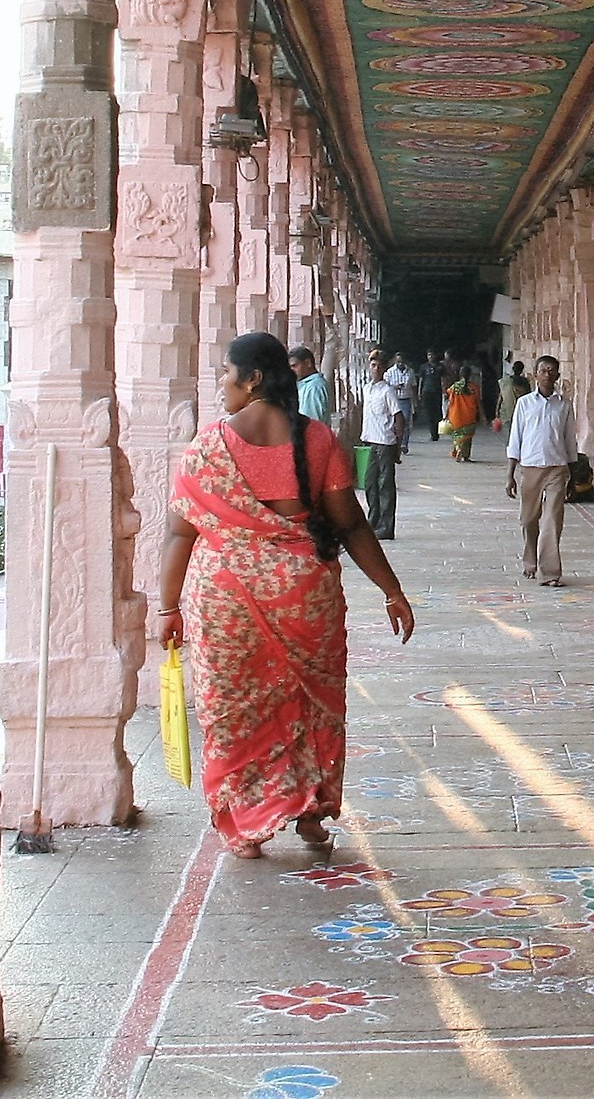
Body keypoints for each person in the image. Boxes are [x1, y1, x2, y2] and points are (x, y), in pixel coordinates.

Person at [153, 332, 414, 859]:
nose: (222, 385)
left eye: (227, 374)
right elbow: (353, 527)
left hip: (226, 603)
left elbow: (180, 534)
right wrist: (392, 591)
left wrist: (167, 606)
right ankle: (312, 813)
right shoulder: (317, 441)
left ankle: (244, 826)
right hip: (304, 599)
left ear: (251, 379)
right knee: (312, 706)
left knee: (234, 711)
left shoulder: (206, 447)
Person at [503, 354, 577, 585]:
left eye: (552, 371)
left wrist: (572, 476)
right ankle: (530, 560)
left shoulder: (564, 405)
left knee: (552, 521)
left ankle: (550, 572)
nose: (547, 374)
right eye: (543, 370)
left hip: (557, 468)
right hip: (530, 467)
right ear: (535, 375)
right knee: (528, 519)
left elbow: (569, 440)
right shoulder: (524, 404)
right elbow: (515, 439)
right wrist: (510, 475)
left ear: (557, 375)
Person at [359, 349, 405, 540]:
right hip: (371, 441)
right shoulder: (367, 389)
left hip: (385, 442)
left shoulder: (388, 391)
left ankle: (387, 527)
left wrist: (399, 445)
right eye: (373, 365)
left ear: (384, 369)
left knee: (385, 485)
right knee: (370, 483)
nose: (376, 369)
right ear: (369, 367)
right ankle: (374, 520)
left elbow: (399, 418)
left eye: (379, 366)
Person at [443, 360, 482, 463]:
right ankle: (466, 455)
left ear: (460, 374)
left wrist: (446, 414)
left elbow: (450, 401)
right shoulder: (474, 387)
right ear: (470, 375)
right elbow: (478, 402)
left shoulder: (455, 386)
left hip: (456, 415)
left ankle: (458, 449)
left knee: (457, 435)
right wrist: (483, 416)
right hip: (469, 415)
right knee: (468, 437)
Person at [288, 345, 329, 424]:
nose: (291, 370)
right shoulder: (307, 385)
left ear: (308, 363)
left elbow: (311, 422)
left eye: (294, 366)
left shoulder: (314, 387)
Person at [417, 349, 447, 443]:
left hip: (437, 391)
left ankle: (436, 432)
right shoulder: (424, 367)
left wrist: (444, 391)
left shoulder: (440, 366)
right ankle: (433, 433)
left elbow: (443, 379)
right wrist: (419, 392)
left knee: (437, 412)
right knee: (429, 413)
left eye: (432, 355)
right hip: (427, 391)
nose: (430, 357)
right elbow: (421, 380)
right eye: (429, 355)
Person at [384, 352, 414, 442]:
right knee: (394, 421)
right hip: (394, 399)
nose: (400, 363)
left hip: (406, 399)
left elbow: (413, 385)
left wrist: (415, 400)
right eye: (398, 362)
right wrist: (395, 386)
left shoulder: (410, 372)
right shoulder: (389, 372)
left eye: (402, 361)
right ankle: (395, 440)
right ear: (395, 361)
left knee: (406, 422)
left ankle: (404, 442)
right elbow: (385, 385)